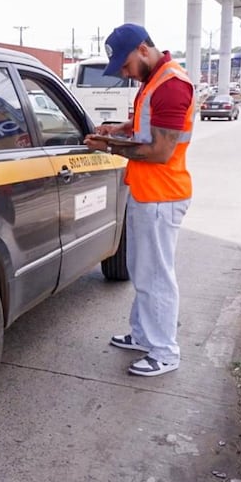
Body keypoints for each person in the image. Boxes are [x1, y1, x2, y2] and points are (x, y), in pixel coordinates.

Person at [83, 23, 194, 377]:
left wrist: (109, 147)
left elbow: (160, 151)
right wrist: (118, 129)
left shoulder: (171, 85)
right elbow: (146, 127)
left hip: (162, 194)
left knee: (157, 276)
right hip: (147, 192)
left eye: (126, 66)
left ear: (143, 49)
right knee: (142, 271)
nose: (125, 74)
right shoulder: (154, 79)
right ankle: (144, 335)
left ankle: (164, 352)